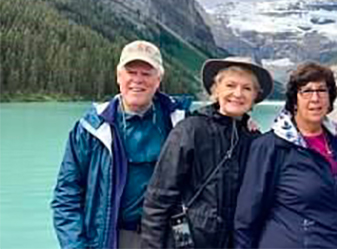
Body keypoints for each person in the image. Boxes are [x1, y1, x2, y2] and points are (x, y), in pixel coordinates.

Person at [51, 40, 190, 249]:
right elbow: (66, 196)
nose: (137, 80)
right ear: (119, 77)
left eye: (146, 74)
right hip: (115, 238)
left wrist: (244, 124)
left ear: (158, 79)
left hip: (170, 237)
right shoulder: (91, 129)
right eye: (131, 72)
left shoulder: (182, 121)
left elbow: (220, 128)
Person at [140, 56, 273, 248]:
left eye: (247, 88)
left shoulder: (254, 140)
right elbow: (158, 199)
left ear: (254, 97)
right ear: (216, 89)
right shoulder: (189, 130)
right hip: (187, 243)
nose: (238, 93)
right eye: (230, 85)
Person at [234, 62, 337, 248]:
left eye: (322, 90)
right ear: (294, 100)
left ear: (330, 98)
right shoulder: (270, 146)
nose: (315, 98)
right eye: (306, 91)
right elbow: (246, 217)